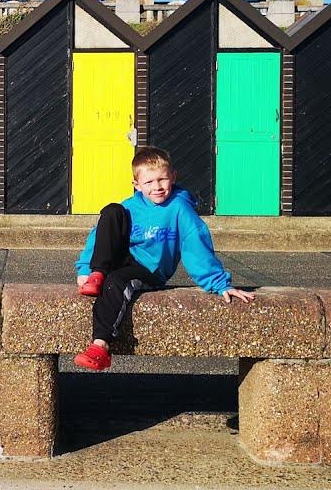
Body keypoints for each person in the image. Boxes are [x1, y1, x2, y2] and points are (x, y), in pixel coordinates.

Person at [72, 146, 255, 371]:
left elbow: (194, 243)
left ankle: (100, 346)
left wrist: (219, 284)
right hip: (118, 260)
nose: (157, 187)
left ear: (173, 177)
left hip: (148, 270)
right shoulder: (130, 206)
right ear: (137, 185)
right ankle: (97, 274)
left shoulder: (179, 208)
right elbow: (98, 236)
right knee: (111, 211)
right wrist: (85, 270)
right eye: (149, 183)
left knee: (116, 283)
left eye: (162, 180)